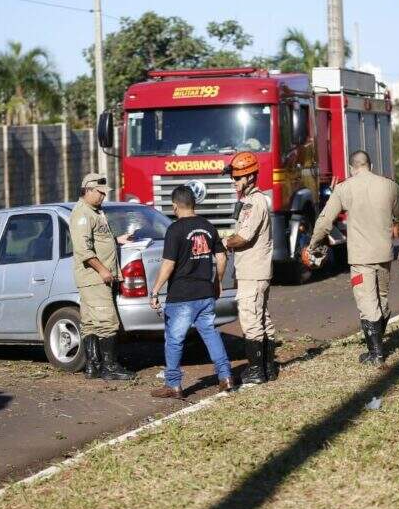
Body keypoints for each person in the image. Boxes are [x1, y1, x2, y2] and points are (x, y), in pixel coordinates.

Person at [308, 150, 399, 365]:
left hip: (360, 257)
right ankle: (378, 345)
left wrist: (313, 244)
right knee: (382, 299)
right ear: (370, 165)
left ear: (352, 168)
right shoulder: (389, 185)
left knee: (367, 303)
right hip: (384, 255)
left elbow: (325, 220)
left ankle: (376, 354)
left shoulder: (344, 188)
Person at [149, 186, 233, 398]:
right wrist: (217, 282)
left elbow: (168, 263)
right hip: (205, 293)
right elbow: (222, 258)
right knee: (211, 334)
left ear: (175, 206)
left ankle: (174, 385)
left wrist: (155, 290)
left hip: (182, 296)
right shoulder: (207, 226)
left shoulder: (175, 229)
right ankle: (226, 377)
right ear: (194, 204)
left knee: (174, 339)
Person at [69, 173, 136, 380]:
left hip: (95, 279)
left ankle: (93, 365)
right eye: (99, 193)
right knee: (108, 322)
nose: (102, 197)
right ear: (88, 190)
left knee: (90, 322)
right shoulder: (82, 214)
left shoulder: (95, 211)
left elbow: (98, 240)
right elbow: (84, 250)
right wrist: (103, 270)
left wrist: (118, 240)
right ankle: (110, 367)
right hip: (95, 279)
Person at [221, 152, 277, 384]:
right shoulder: (251, 201)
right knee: (262, 318)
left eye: (237, 178)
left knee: (251, 320)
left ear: (250, 177)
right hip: (256, 270)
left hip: (253, 272)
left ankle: (256, 371)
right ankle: (268, 368)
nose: (234, 182)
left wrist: (223, 242)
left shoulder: (255, 202)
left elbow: (243, 237)